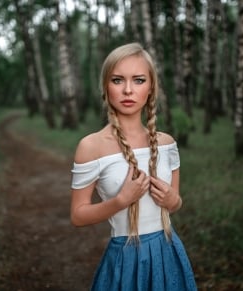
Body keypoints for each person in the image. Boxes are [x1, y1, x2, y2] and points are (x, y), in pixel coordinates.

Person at [70, 42, 197, 290]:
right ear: (106, 87)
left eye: (138, 80)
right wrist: (120, 201)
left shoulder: (166, 144)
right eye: (117, 80)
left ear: (151, 88)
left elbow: (176, 204)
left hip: (168, 251)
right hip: (126, 258)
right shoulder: (91, 146)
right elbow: (78, 215)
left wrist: (172, 200)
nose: (128, 90)